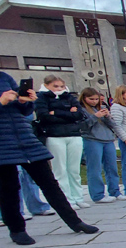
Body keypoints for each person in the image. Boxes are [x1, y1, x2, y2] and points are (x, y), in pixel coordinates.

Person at [0, 43, 98, 245]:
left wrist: (25, 101)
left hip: (24, 137)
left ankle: (75, 222)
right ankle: (17, 229)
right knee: (9, 185)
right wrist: (0, 102)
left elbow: (23, 111)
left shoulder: (3, 78)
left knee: (49, 182)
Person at [34, 75, 88, 208]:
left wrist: (56, 113)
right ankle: (66, 199)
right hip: (54, 136)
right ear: (46, 86)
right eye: (55, 86)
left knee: (74, 169)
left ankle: (78, 196)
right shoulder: (41, 97)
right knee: (60, 169)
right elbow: (44, 116)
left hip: (73, 135)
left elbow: (79, 115)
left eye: (61, 86)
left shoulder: (69, 96)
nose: (59, 89)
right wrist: (67, 113)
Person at [79, 88, 126, 203]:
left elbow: (112, 125)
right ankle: (97, 195)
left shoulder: (99, 108)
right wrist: (96, 116)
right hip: (92, 140)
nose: (94, 101)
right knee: (95, 168)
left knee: (112, 167)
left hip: (108, 139)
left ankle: (115, 191)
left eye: (96, 99)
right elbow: (83, 127)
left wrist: (107, 116)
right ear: (84, 98)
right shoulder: (81, 110)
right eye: (91, 99)